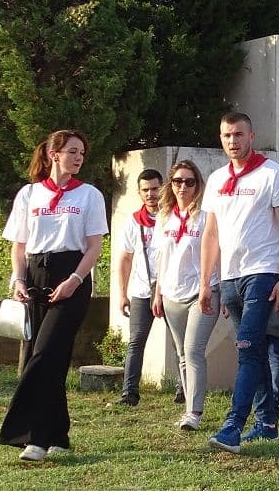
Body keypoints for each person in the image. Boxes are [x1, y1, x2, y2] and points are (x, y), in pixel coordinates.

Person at [0, 129, 108, 461]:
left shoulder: (89, 195)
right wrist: (18, 279)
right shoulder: (29, 195)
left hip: (71, 276)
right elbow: (19, 245)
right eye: (73, 151)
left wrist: (75, 279)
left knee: (43, 356)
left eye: (82, 153)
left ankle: (35, 436)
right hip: (34, 275)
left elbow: (94, 247)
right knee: (45, 355)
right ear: (53, 154)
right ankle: (58, 432)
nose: (78, 157)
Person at [199, 112, 279, 453]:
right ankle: (267, 423)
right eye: (227, 135)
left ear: (251, 135)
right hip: (231, 277)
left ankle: (233, 427)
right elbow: (211, 235)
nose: (232, 141)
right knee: (251, 349)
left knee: (247, 351)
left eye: (239, 134)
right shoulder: (215, 180)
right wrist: (205, 282)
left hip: (263, 273)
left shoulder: (272, 174)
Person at [153, 160, 221, 430]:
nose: (183, 187)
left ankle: (194, 412)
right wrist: (157, 292)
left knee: (193, 351)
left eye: (189, 181)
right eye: (178, 181)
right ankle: (187, 405)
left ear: (198, 185)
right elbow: (162, 258)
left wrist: (219, 290)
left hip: (203, 291)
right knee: (182, 353)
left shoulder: (205, 215)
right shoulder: (164, 216)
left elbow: (218, 253)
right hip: (171, 292)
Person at [115, 169, 165, 407]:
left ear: (163, 188)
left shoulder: (173, 217)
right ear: (139, 192)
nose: (150, 194)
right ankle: (129, 392)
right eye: (145, 190)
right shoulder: (134, 221)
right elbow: (125, 259)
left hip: (171, 290)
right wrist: (122, 293)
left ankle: (183, 391)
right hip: (142, 291)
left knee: (180, 342)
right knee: (136, 341)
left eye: (154, 188)